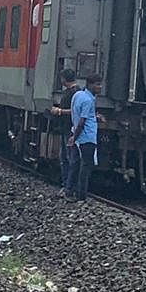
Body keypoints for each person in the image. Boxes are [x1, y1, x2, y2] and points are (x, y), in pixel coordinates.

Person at [67, 73, 102, 202]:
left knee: (74, 164)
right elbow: (82, 121)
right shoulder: (88, 100)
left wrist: (73, 136)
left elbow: (76, 114)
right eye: (97, 84)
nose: (100, 87)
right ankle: (81, 195)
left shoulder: (77, 95)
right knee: (86, 166)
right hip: (87, 137)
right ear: (90, 84)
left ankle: (69, 190)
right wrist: (75, 137)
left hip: (77, 135)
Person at [49, 68, 80, 195]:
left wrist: (59, 111)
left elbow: (78, 111)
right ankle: (67, 184)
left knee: (69, 157)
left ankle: (70, 186)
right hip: (66, 128)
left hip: (70, 129)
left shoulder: (75, 93)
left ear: (63, 79)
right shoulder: (72, 92)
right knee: (65, 157)